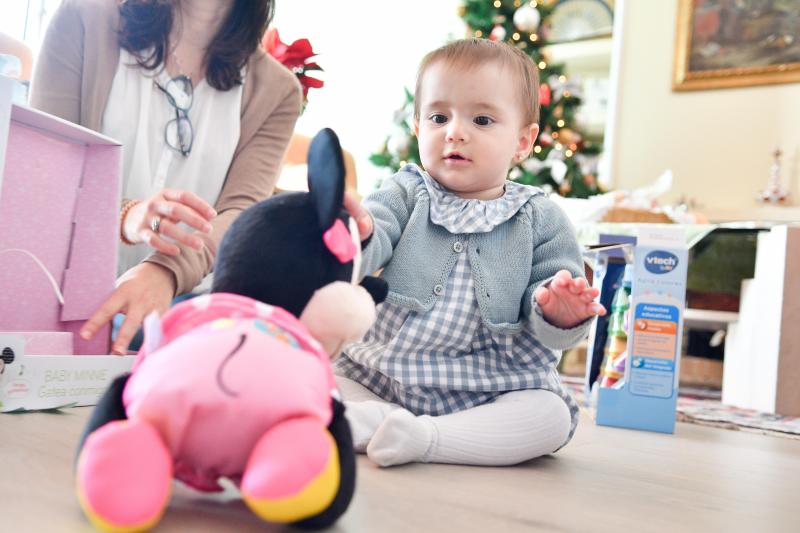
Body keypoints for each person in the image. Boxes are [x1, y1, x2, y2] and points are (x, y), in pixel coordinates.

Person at [338, 39, 605, 467]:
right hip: (381, 374)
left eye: (481, 119)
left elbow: (555, 319)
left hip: (492, 386)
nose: (455, 131)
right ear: (417, 125)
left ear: (522, 142)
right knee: (314, 379)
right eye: (439, 117)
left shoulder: (541, 218)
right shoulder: (405, 191)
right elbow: (373, 234)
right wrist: (354, 234)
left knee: (551, 416)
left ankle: (426, 437)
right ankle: (380, 419)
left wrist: (560, 310)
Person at [30, 0, 303, 354]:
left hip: (177, 309)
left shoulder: (278, 91)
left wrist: (165, 271)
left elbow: (240, 214)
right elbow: (44, 171)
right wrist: (126, 216)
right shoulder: (84, 17)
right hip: (54, 287)